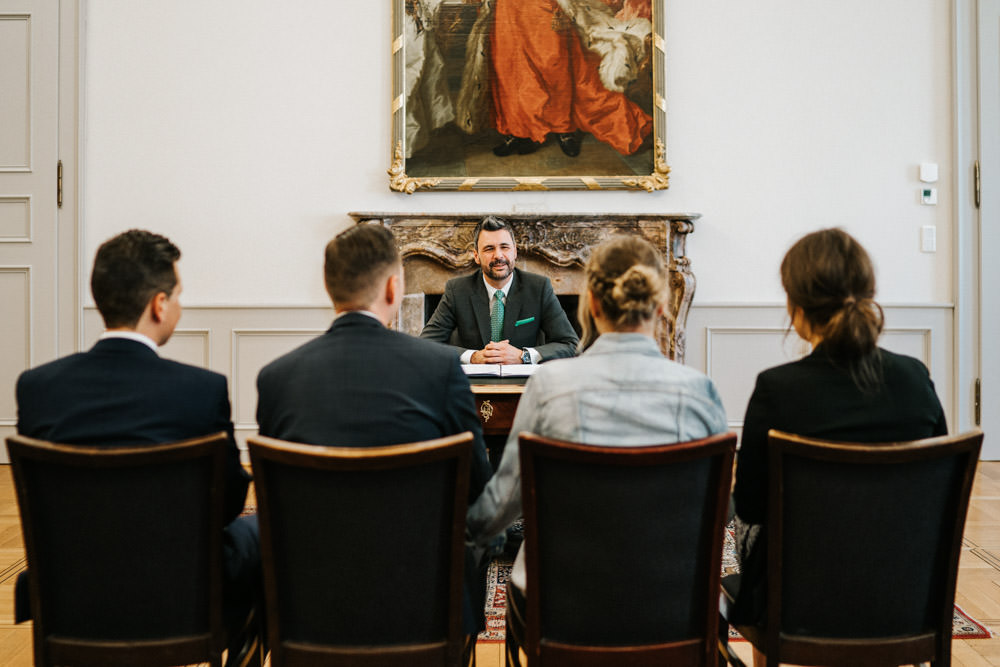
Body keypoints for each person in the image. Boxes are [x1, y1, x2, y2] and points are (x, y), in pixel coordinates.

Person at [14, 229, 261, 665]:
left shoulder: (38, 388)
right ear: (158, 304)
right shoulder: (200, 390)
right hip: (183, 602)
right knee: (259, 531)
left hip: (74, 595)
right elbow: (227, 501)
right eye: (178, 295)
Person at [254, 223, 493, 653]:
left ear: (330, 289)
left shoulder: (277, 380)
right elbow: (477, 483)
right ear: (392, 288)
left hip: (312, 606)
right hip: (424, 604)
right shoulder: (439, 371)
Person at [465, 234, 728, 598]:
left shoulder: (548, 388)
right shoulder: (701, 393)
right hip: (670, 605)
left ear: (592, 304)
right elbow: (717, 509)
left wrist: (461, 527)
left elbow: (500, 507)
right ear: (663, 306)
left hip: (564, 608)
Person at [730, 228, 948, 628]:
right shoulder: (916, 379)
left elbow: (750, 505)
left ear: (795, 305)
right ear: (868, 294)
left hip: (796, 604)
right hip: (903, 596)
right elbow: (941, 494)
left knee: (733, 510)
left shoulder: (777, 389)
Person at [456, 0, 653, 158]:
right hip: (507, 10)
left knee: (556, 68)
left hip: (545, 7)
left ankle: (564, 130)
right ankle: (519, 132)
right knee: (511, 71)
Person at [419, 216, 579, 364]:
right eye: (489, 249)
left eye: (504, 247)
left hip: (523, 386)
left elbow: (570, 344)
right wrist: (473, 357)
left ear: (515, 251)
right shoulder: (457, 290)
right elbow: (426, 344)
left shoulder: (539, 288)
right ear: (476, 256)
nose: (498, 255)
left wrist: (523, 356)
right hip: (474, 385)